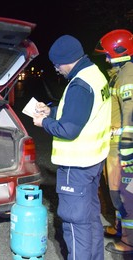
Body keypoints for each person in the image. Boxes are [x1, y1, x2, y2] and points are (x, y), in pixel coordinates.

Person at [33, 35, 111, 260]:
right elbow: (81, 112)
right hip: (93, 161)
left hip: (77, 166)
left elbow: (69, 129)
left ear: (66, 61)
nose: (57, 70)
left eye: (57, 65)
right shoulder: (94, 75)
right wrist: (52, 111)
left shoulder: (79, 85)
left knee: (75, 223)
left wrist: (44, 123)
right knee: (90, 218)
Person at [94, 29, 133, 255]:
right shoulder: (119, 74)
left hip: (121, 148)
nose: (107, 58)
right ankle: (120, 229)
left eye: (108, 54)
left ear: (120, 51)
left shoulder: (128, 77)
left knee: (123, 195)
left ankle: (128, 243)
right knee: (115, 192)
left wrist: (127, 151)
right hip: (114, 146)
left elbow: (129, 116)